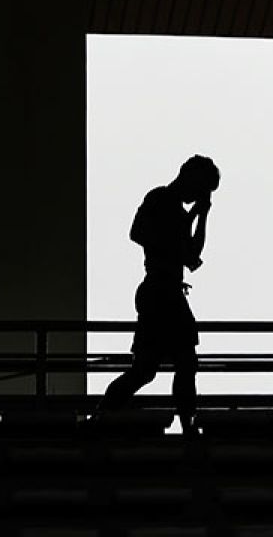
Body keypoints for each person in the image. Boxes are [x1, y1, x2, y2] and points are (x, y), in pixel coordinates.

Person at [96, 155, 220, 436]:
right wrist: (193, 218)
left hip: (164, 291)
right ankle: (106, 416)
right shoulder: (160, 199)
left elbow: (190, 254)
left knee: (162, 367)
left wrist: (200, 215)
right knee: (161, 367)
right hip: (160, 291)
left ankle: (104, 415)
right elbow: (141, 233)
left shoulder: (175, 207)